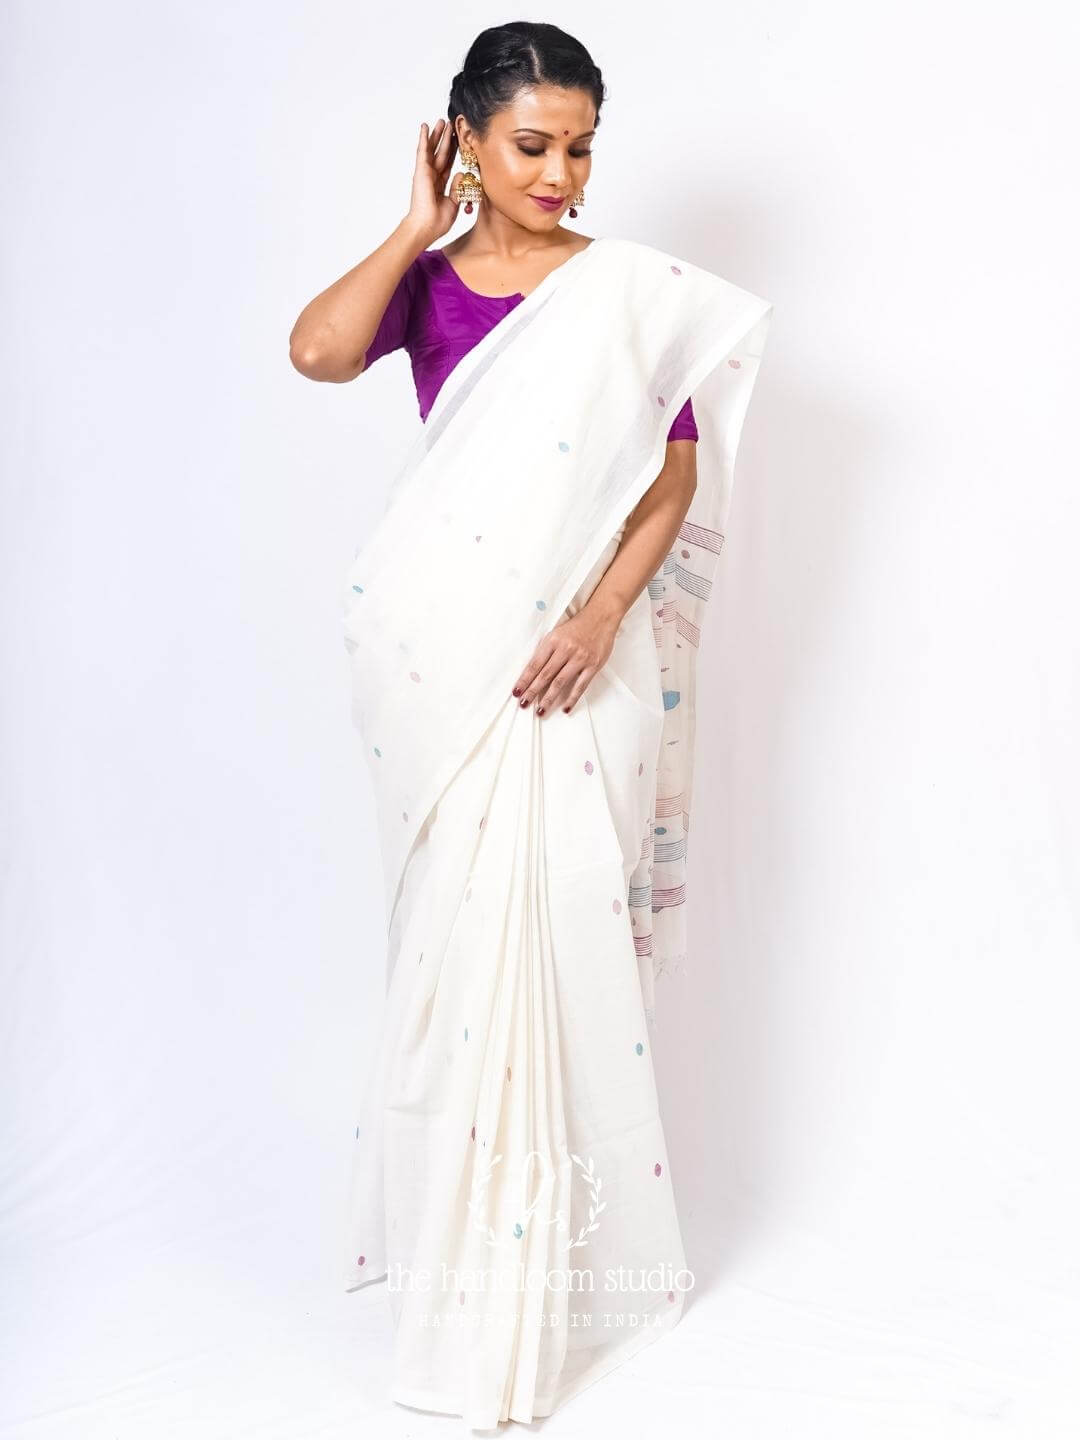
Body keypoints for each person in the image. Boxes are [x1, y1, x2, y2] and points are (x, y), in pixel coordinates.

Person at [289, 21, 774, 1429]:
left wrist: (600, 617)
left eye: (580, 149)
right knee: (456, 958)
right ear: (466, 141)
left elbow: (670, 481)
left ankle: (560, 1286)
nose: (560, 174)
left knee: (560, 936)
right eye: (531, 145)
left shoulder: (628, 297)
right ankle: (462, 1291)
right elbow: (319, 352)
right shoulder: (433, 284)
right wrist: (413, 224)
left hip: (577, 661)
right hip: (444, 662)